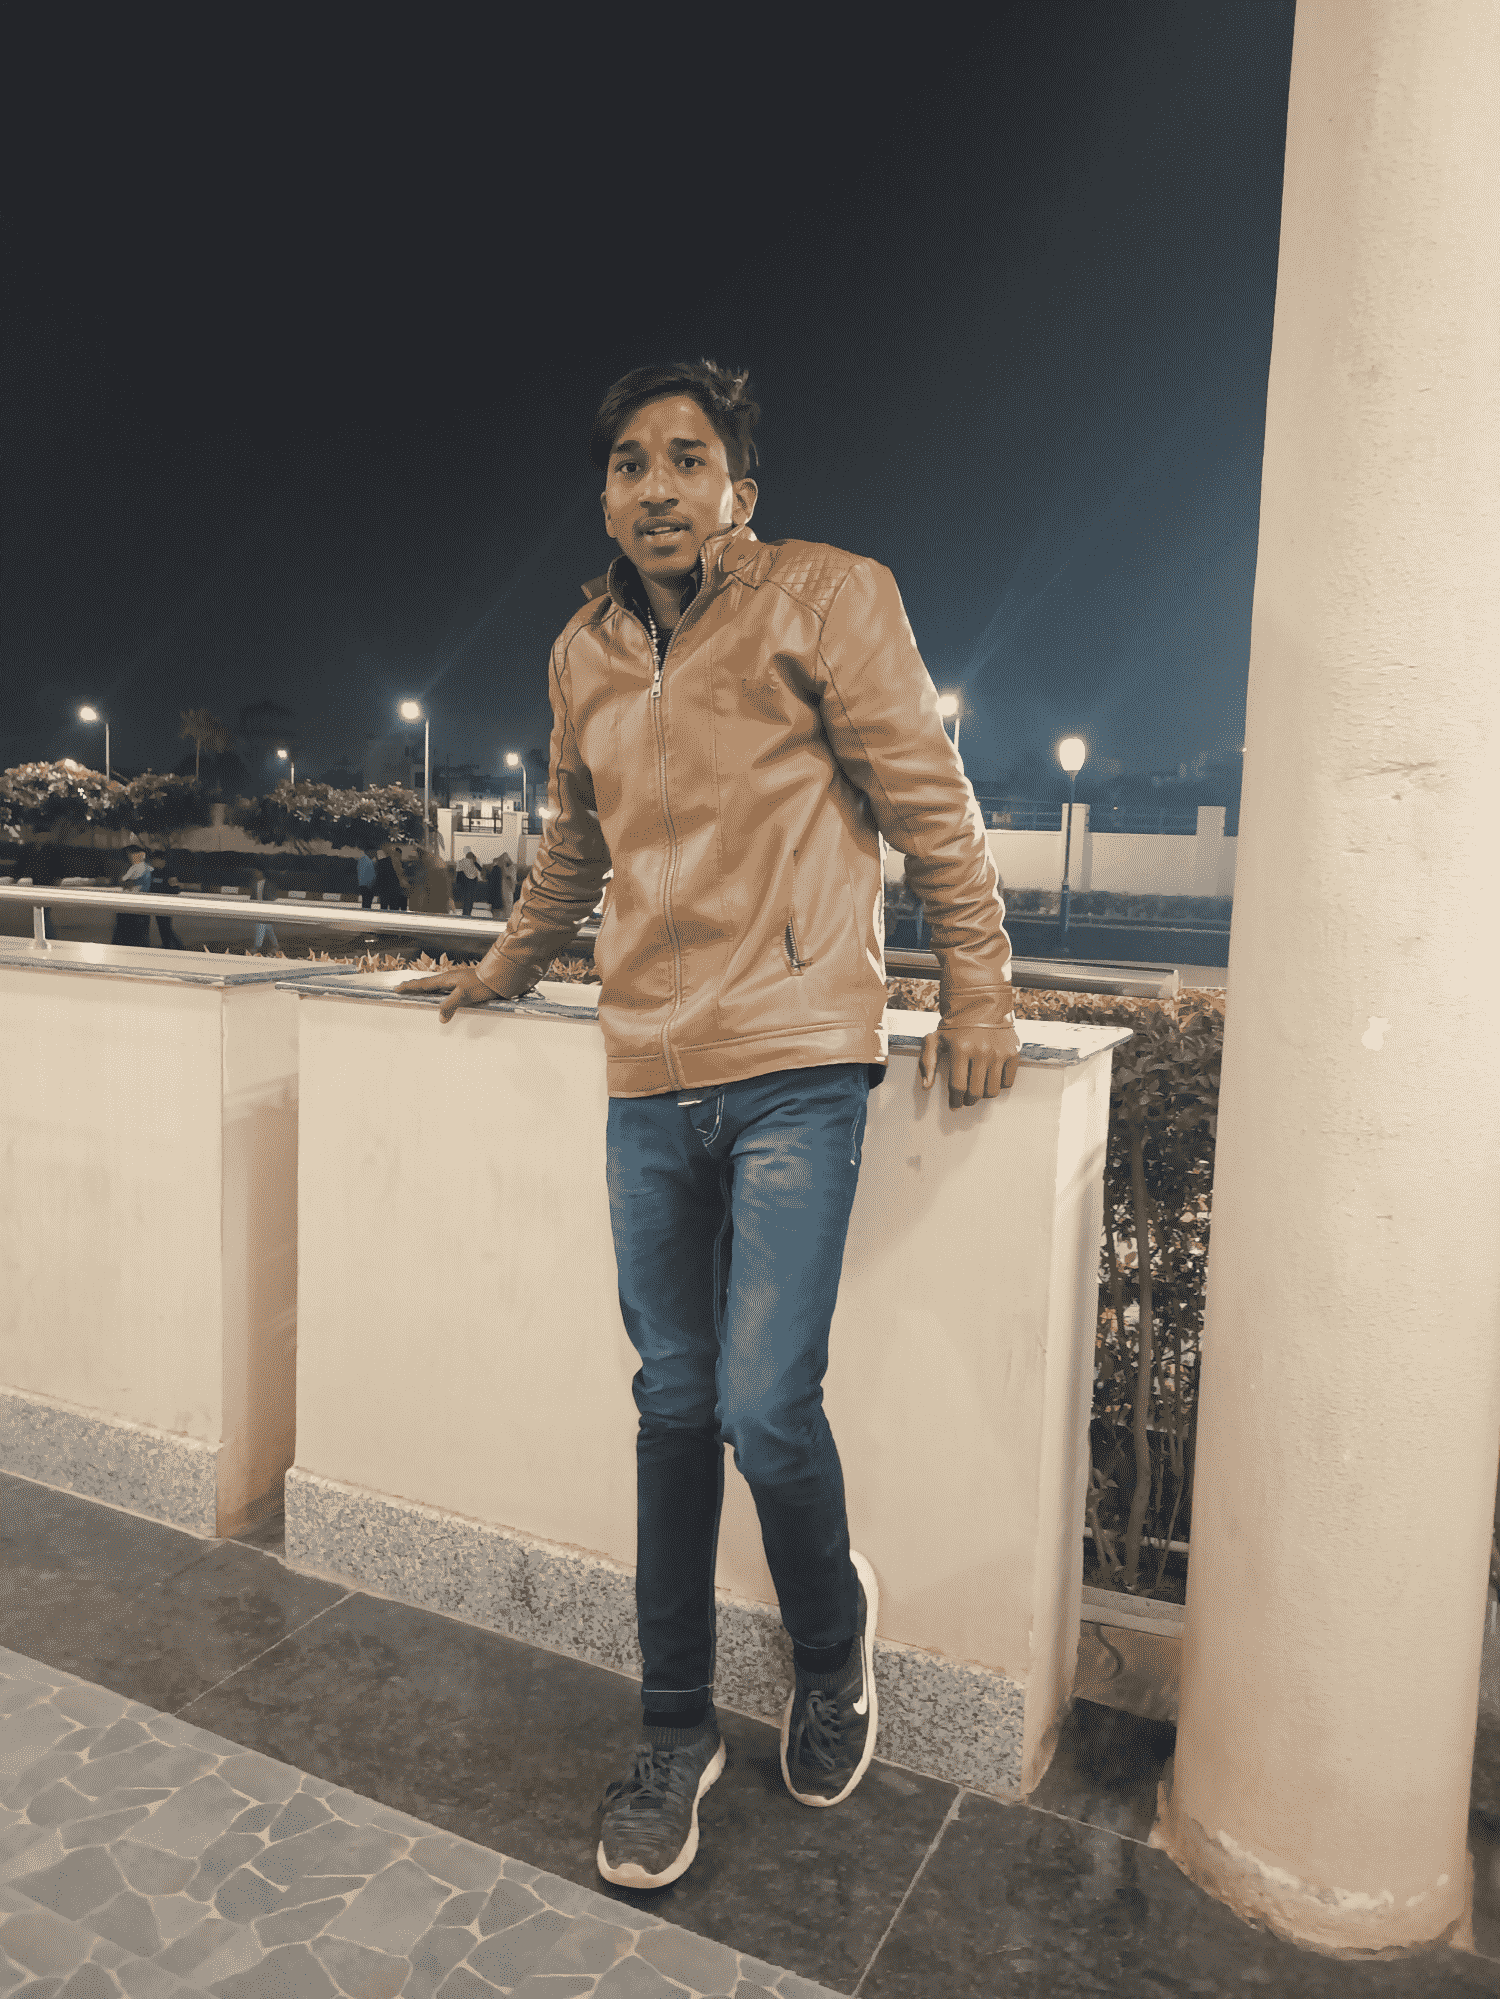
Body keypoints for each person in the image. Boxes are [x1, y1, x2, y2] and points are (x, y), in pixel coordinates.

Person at [399, 360, 1020, 1892]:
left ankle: (832, 1641)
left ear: (742, 485)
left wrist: (982, 984)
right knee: (672, 1404)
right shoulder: (584, 651)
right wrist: (501, 967)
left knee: (761, 1402)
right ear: (605, 495)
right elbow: (575, 844)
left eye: (687, 456)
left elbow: (930, 803)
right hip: (647, 1073)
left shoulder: (829, 597)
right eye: (629, 462)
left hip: (800, 1056)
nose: (656, 485)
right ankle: (673, 1729)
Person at [111, 846, 153, 946]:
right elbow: (120, 882)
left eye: (132, 854)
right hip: (126, 905)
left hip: (139, 905)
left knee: (138, 933)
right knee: (123, 931)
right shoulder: (127, 867)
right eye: (128, 854)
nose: (130, 856)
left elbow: (144, 887)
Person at [148, 849, 183, 948]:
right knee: (162, 926)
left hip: (167, 903)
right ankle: (169, 945)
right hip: (157, 903)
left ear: (162, 860)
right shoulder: (153, 872)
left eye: (155, 860)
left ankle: (173, 945)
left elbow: (175, 889)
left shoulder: (170, 873)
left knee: (166, 926)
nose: (153, 862)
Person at [244, 864, 279, 953]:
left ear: (261, 873)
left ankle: (256, 947)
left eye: (257, 872)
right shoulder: (255, 884)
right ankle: (276, 945)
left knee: (260, 926)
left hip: (266, 909)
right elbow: (253, 897)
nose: (255, 873)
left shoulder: (269, 884)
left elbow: (273, 897)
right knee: (267, 927)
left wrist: (268, 906)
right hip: (259, 909)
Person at [456, 847, 483, 917]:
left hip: (465, 882)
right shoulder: (475, 862)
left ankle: (465, 913)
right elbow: (480, 869)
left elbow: (459, 873)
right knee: (470, 899)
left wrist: (458, 883)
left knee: (466, 899)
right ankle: (468, 913)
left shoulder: (462, 862)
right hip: (473, 882)